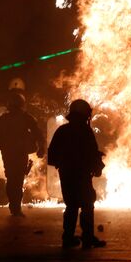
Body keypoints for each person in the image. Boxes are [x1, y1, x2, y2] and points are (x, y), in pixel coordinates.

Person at [48, 99, 106, 249]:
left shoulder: (62, 131)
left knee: (71, 205)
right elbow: (92, 152)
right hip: (82, 174)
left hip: (67, 174)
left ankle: (68, 238)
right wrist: (98, 166)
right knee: (87, 204)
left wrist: (62, 164)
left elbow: (52, 154)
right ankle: (87, 237)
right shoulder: (85, 132)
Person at [0, 92, 45, 216]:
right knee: (17, 180)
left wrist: (41, 146)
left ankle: (14, 206)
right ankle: (15, 207)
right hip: (19, 153)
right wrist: (41, 147)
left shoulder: (4, 119)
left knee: (12, 178)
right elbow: (38, 133)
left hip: (9, 153)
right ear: (22, 104)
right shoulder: (26, 117)